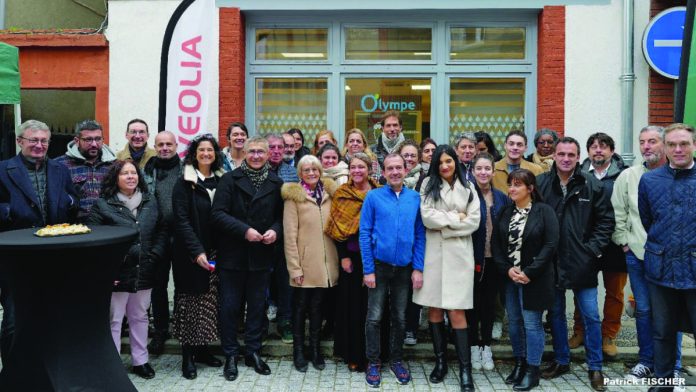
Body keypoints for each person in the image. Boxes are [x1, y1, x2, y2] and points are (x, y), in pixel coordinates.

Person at [537, 137, 614, 392]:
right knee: (556, 314)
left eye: (571, 154)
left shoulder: (592, 185)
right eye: (562, 154)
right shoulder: (542, 183)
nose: (566, 159)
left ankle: (595, 367)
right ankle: (562, 360)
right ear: (555, 156)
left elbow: (605, 223)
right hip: (552, 262)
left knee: (591, 316)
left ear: (579, 156)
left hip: (583, 262)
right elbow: (535, 219)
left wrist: (591, 250)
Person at [0, 119, 78, 362]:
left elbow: (72, 200)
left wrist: (67, 203)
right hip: (15, 257)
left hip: (52, 255)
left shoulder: (60, 169)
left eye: (44, 140)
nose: (39, 145)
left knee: (51, 315)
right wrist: (8, 211)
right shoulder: (3, 169)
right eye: (33, 140)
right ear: (19, 141)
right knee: (14, 318)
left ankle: (46, 368)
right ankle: (13, 376)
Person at [612, 125, 684, 382]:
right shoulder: (628, 176)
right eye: (642, 142)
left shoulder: (678, 176)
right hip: (638, 254)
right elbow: (618, 213)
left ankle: (674, 366)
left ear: (664, 144)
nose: (646, 146)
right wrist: (624, 242)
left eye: (652, 141)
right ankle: (646, 362)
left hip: (671, 258)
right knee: (643, 309)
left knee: (672, 310)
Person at [86, 160, 166, 380]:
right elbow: (95, 237)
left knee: (139, 316)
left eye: (133, 173)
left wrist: (155, 254)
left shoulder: (150, 201)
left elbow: (161, 230)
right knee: (115, 318)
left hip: (145, 268)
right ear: (115, 179)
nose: (131, 177)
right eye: (125, 174)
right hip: (117, 272)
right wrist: (107, 266)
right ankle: (112, 364)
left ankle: (141, 361)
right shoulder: (103, 205)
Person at [212, 136, 284, 380]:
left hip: (261, 256)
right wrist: (244, 231)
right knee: (230, 307)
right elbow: (218, 215)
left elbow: (282, 217)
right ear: (244, 152)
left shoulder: (276, 182)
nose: (255, 156)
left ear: (267, 155)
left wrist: (276, 230)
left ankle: (253, 350)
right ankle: (231, 353)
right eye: (251, 151)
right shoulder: (229, 179)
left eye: (260, 152)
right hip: (233, 256)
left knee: (256, 307)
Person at [414, 145, 481, 392]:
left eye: (448, 161)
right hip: (433, 255)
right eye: (440, 162)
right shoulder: (427, 186)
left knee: (456, 311)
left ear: (455, 162)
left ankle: (465, 370)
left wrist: (444, 221)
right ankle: (440, 363)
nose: (444, 166)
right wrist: (456, 218)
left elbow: (473, 222)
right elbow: (427, 217)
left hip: (459, 256)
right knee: (435, 308)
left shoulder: (469, 188)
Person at [638, 123, 696, 392]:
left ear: (693, 145)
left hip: (694, 269)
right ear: (665, 148)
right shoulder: (650, 180)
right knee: (662, 332)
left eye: (684, 143)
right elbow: (649, 220)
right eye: (672, 144)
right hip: (660, 269)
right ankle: (663, 383)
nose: (678, 149)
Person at [360, 153, 425, 388]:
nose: (395, 172)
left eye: (399, 167)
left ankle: (397, 360)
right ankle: (374, 362)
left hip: (404, 269)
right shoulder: (373, 197)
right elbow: (365, 234)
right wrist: (368, 270)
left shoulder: (415, 198)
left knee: (399, 317)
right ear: (384, 173)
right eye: (390, 168)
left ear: (405, 170)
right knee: (374, 317)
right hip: (379, 266)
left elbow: (420, 234)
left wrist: (418, 268)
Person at [492, 169, 559, 391]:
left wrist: (529, 272)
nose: (511, 188)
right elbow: (496, 246)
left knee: (532, 324)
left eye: (518, 185)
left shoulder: (544, 211)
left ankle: (533, 370)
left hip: (535, 278)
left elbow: (550, 245)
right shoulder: (505, 212)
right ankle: (519, 363)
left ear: (530, 188)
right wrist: (508, 269)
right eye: (510, 184)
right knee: (514, 323)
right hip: (510, 278)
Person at [571, 133, 628, 360]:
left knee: (615, 292)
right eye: (593, 147)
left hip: (615, 243)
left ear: (611, 151)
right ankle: (579, 331)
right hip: (586, 243)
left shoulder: (623, 175)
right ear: (587, 152)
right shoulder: (579, 176)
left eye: (603, 147)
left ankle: (608, 335)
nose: (598, 151)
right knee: (581, 289)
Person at [282, 155, 339, 372]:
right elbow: (289, 235)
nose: (312, 173)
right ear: (300, 173)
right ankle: (299, 350)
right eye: (307, 170)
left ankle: (315, 350)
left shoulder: (329, 194)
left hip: (325, 263)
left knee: (318, 308)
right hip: (304, 263)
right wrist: (294, 267)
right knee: (300, 307)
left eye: (315, 169)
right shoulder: (294, 197)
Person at [325, 152, 380, 372]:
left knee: (372, 308)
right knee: (352, 308)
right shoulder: (342, 194)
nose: (357, 171)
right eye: (354, 167)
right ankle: (353, 354)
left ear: (369, 169)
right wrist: (344, 257)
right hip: (351, 258)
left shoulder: (378, 193)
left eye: (362, 167)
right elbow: (337, 228)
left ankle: (373, 354)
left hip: (376, 258)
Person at [467, 153, 510, 372]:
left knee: (489, 305)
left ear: (493, 172)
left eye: (487, 169)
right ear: (473, 171)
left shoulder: (502, 198)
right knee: (472, 306)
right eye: (479, 169)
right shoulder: (466, 195)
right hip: (471, 259)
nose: (483, 173)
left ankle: (486, 346)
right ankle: (473, 346)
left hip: (494, 260)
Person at [144, 131, 183, 356]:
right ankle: (160, 329)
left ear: (177, 145)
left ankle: (179, 324)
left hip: (181, 234)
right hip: (157, 236)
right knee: (157, 285)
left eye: (169, 144)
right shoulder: (148, 170)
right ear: (155, 146)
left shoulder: (187, 169)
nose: (165, 148)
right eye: (161, 145)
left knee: (182, 282)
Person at [265, 133, 296, 343]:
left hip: (285, 234)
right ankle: (260, 326)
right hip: (260, 234)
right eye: (272, 147)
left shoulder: (292, 173)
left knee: (285, 281)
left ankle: (285, 322)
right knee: (261, 281)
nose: (277, 151)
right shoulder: (258, 170)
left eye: (280, 147)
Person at [55, 119, 117, 222]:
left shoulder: (114, 165)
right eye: (88, 139)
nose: (94, 144)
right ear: (77, 141)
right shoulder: (60, 165)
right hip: (74, 226)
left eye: (98, 139)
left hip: (107, 225)